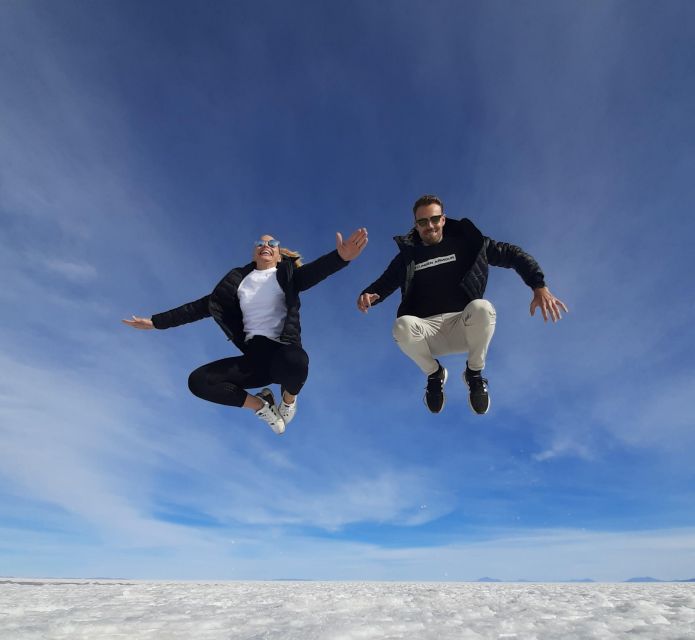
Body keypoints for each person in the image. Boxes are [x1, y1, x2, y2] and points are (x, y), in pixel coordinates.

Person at [124, 228, 368, 434]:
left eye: (272, 243)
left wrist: (341, 257)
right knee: (198, 382)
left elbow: (315, 271)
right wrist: (155, 322)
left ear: (279, 255)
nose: (266, 245)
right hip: (254, 361)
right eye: (260, 243)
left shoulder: (288, 276)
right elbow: (198, 308)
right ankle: (261, 406)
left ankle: (288, 402)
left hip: (283, 353)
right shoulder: (236, 282)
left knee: (297, 360)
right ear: (254, 252)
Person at [357, 195, 567, 415]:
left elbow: (511, 254)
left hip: (464, 327)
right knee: (401, 326)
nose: (430, 226)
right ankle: (435, 374)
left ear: (443, 219)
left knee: (482, 308)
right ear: (416, 226)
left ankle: (474, 374)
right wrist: (369, 295)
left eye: (434, 219)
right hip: (429, 334)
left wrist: (538, 285)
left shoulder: (467, 242)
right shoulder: (408, 256)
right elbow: (384, 283)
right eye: (422, 222)